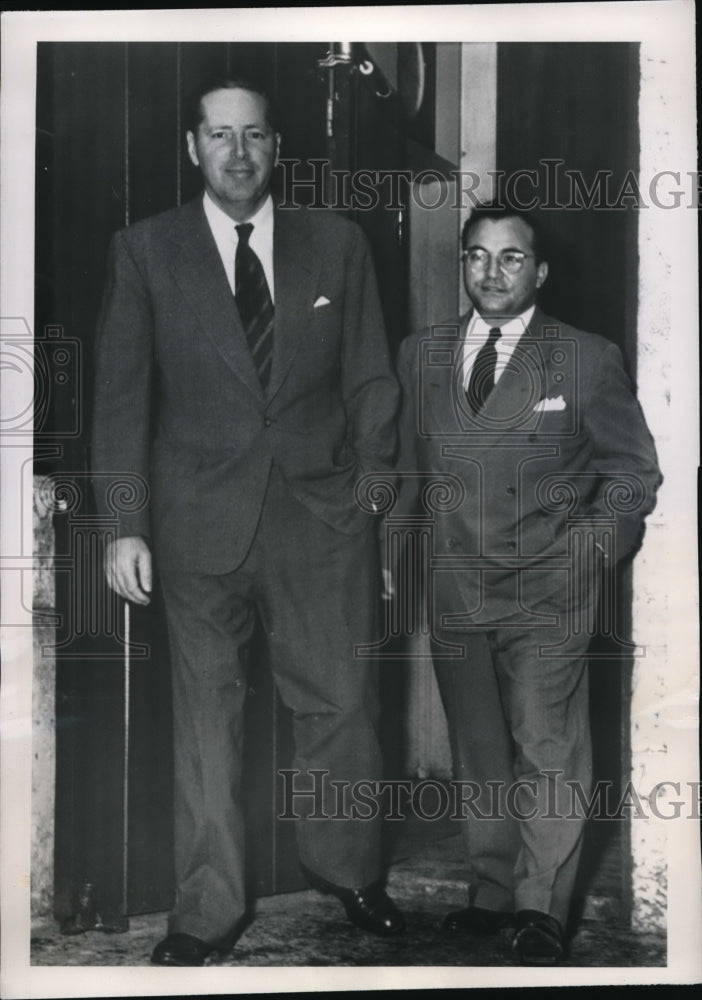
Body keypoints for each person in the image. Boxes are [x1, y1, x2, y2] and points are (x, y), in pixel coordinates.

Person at [92, 77, 404, 966]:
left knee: (341, 707)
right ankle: (208, 906)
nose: (238, 153)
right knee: (207, 719)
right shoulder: (145, 251)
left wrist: (371, 500)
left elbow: (371, 381)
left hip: (320, 519)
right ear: (193, 147)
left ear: (277, 147)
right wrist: (125, 523)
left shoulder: (338, 245)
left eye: (255, 135)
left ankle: (349, 870)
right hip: (197, 523)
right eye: (220, 136)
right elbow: (119, 399)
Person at [394, 202, 661, 965]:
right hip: (455, 587)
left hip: (548, 586)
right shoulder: (423, 353)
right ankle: (490, 890)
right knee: (480, 749)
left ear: (539, 271)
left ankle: (540, 907)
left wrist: (590, 551)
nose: (491, 272)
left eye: (511, 258)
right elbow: (406, 467)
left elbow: (631, 473)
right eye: (477, 256)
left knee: (546, 748)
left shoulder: (584, 357)